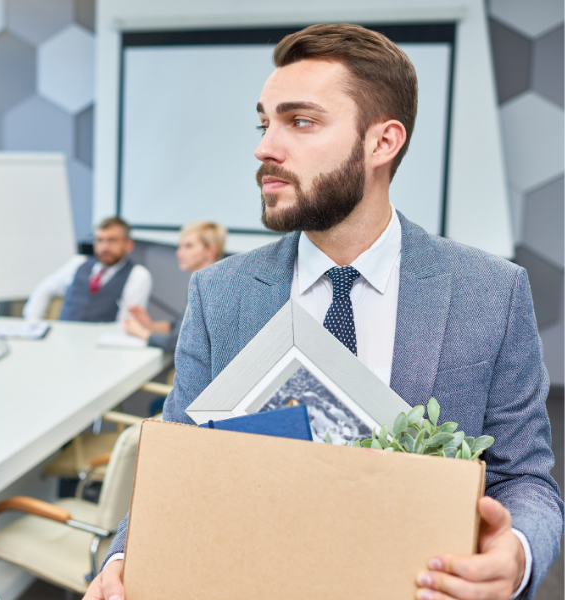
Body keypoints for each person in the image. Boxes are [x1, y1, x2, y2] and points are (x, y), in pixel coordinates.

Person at [85, 24, 563, 600]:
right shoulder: (220, 293)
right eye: (264, 123)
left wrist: (518, 555)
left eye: (301, 121)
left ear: (382, 143)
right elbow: (177, 469)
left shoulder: (491, 292)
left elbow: (525, 477)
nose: (265, 147)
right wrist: (123, 556)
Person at [23, 217, 152, 323]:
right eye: (99, 240)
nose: (104, 247)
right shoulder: (77, 263)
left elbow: (126, 323)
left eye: (112, 241)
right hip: (63, 339)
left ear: (128, 245)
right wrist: (33, 323)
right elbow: (44, 289)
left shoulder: (138, 275)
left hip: (101, 347)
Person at [123, 221, 226, 353]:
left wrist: (142, 333)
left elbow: (178, 342)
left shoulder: (209, 289)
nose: (179, 253)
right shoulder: (209, 282)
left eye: (188, 246)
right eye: (180, 246)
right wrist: (150, 326)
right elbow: (181, 326)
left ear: (210, 251)